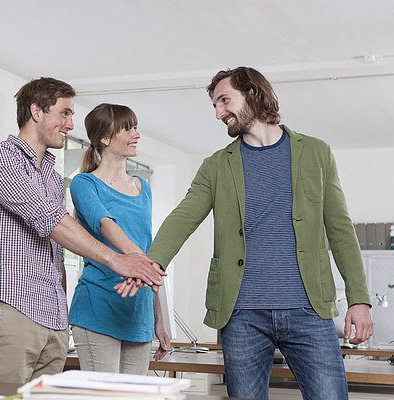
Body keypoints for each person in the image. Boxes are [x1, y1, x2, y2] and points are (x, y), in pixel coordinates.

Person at [134, 67, 373, 399]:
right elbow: (183, 217)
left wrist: (359, 298)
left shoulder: (315, 153)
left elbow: (341, 229)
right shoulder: (217, 165)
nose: (219, 113)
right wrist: (152, 262)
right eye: (215, 105)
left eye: (224, 100)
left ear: (252, 94)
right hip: (242, 314)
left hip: (308, 309)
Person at [0, 78, 165, 384]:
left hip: (52, 317)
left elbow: (55, 249)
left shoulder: (50, 173)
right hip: (11, 306)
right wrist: (117, 260)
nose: (71, 124)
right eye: (64, 113)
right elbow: (49, 219)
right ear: (37, 111)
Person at [68, 103, 171, 375]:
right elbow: (105, 225)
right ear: (104, 138)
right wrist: (142, 264)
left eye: (136, 128)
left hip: (139, 314)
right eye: (128, 129)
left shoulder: (142, 187)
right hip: (98, 308)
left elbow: (148, 252)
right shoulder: (84, 183)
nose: (136, 134)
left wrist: (160, 319)